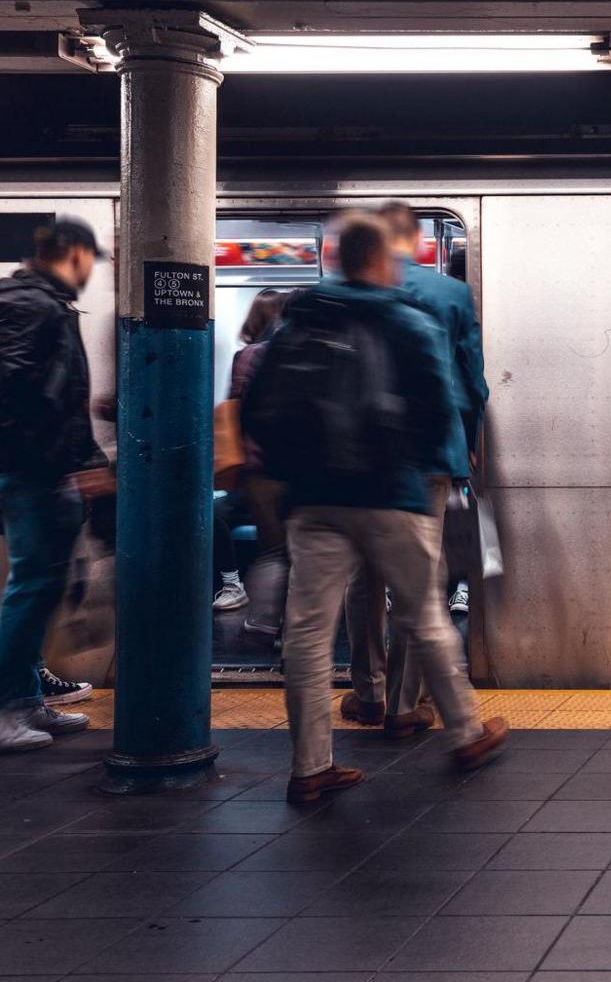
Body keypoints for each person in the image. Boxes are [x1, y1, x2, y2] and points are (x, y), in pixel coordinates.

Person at [242, 213, 507, 803]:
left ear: (337, 255)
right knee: (425, 610)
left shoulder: (301, 316)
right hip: (391, 493)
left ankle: (311, 767)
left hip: (314, 501)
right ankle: (464, 732)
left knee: (309, 635)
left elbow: (258, 403)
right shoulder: (406, 319)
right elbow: (444, 403)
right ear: (382, 257)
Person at [0, 216, 110, 751]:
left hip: (42, 469)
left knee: (39, 584)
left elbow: (52, 396)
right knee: (35, 584)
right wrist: (38, 461)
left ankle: (15, 698)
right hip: (32, 472)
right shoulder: (30, 305)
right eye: (90, 260)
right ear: (76, 253)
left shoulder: (43, 304)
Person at [336, 202, 490, 737]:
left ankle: (367, 694)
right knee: (417, 580)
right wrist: (467, 447)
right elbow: (472, 382)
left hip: (361, 458)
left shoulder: (350, 292)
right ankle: (406, 706)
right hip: (431, 455)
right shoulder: (448, 294)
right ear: (419, 241)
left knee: (363, 578)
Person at [212, 288, 292, 614]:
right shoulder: (293, 354)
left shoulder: (244, 358)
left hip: (254, 473)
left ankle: (234, 586)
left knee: (219, 518)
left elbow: (236, 411)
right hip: (286, 473)